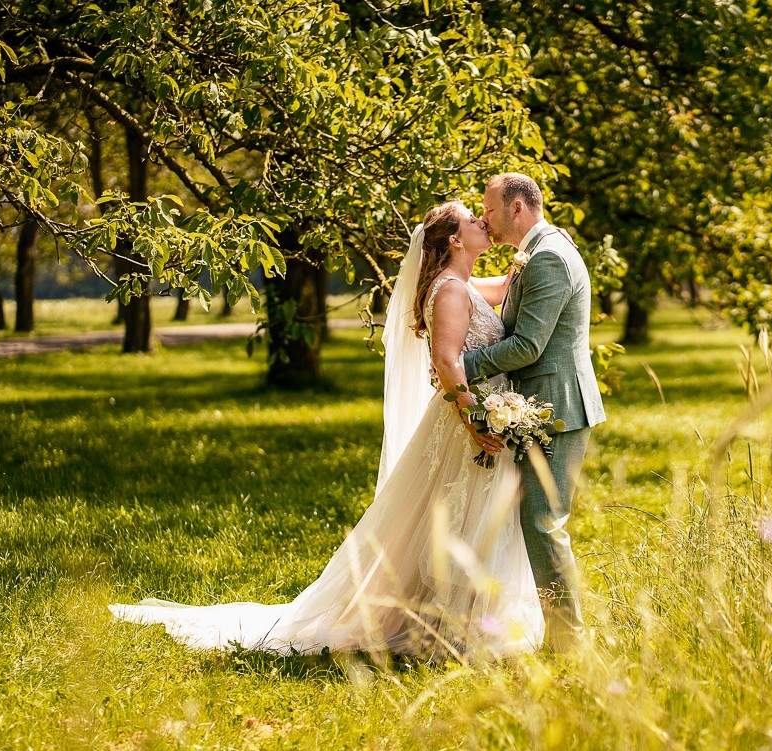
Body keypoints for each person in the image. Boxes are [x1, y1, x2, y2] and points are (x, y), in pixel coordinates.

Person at [110, 201, 544, 661]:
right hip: (467, 421)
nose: (484, 223)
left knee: (461, 516)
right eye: (473, 221)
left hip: (472, 417)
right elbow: (446, 359)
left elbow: (498, 290)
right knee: (457, 516)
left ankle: (460, 618)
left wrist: (532, 249)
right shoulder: (452, 291)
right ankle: (449, 625)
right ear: (455, 240)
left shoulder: (460, 284)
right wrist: (475, 418)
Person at [468, 173, 606, 652]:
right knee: (538, 520)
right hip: (544, 403)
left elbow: (528, 346)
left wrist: (462, 365)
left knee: (544, 522)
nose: (484, 217)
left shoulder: (547, 256)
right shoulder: (540, 248)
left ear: (518, 208)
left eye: (489, 209)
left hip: (558, 406)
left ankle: (570, 643)